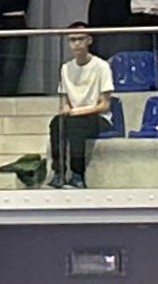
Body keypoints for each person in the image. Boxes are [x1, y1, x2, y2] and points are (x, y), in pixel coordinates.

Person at [45, 27, 113, 189]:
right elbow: (65, 100)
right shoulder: (66, 68)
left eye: (80, 39)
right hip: (74, 116)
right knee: (56, 123)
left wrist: (78, 112)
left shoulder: (101, 66)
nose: (76, 44)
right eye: (72, 40)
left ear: (89, 41)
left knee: (77, 125)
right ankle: (59, 172)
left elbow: (104, 105)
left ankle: (77, 174)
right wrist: (67, 108)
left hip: (97, 117)